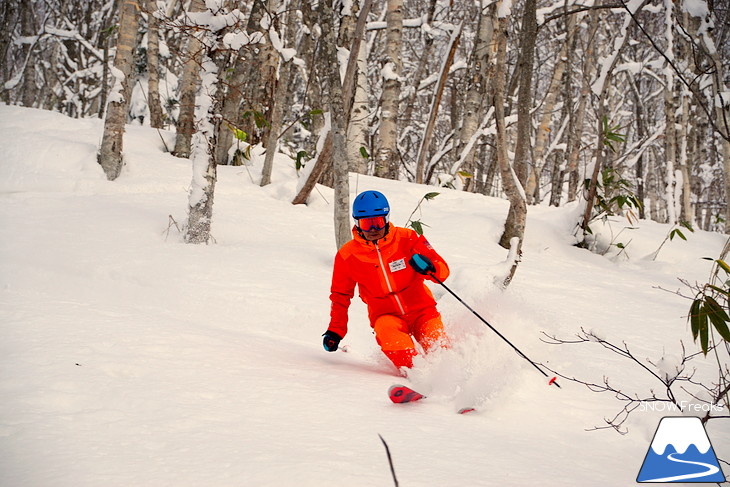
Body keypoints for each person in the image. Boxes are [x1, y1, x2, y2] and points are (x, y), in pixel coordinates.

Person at [322, 190, 451, 371]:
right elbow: (340, 296)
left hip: (422, 311)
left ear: (386, 218)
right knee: (392, 339)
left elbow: (443, 271)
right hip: (386, 317)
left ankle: (452, 376)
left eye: (377, 222)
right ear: (357, 223)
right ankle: (420, 378)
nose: (373, 229)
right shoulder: (347, 256)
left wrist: (431, 268)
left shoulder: (408, 238)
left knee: (439, 348)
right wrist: (336, 330)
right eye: (367, 224)